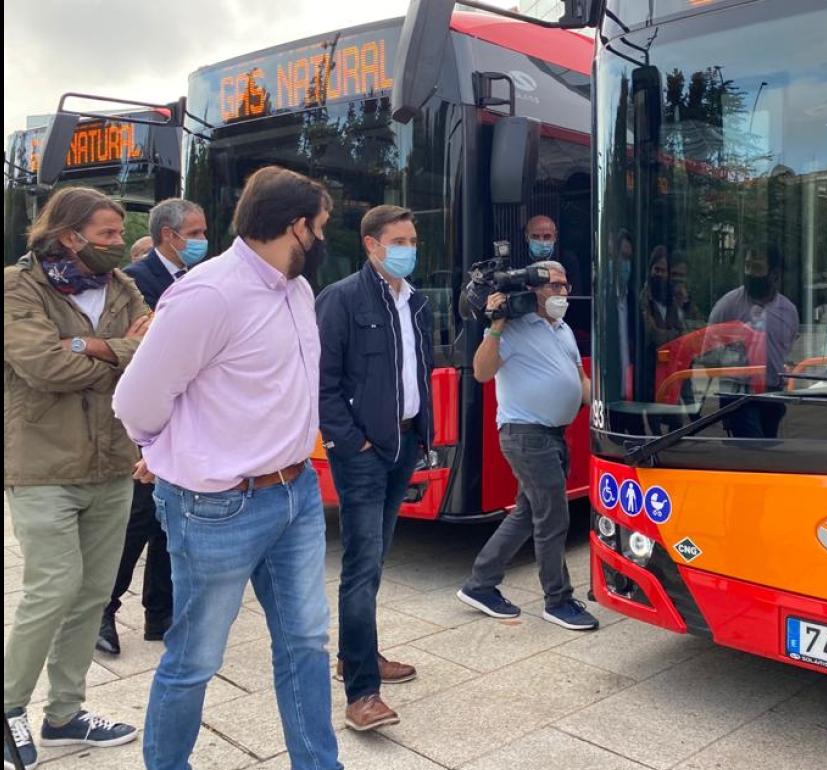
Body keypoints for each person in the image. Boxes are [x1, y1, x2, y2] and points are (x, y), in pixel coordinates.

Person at [112, 166, 341, 770]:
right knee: (196, 657)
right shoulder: (207, 293)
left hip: (297, 494)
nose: (323, 239)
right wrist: (166, 452)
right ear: (296, 227)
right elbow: (136, 401)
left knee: (306, 644)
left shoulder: (296, 289)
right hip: (217, 507)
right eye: (319, 227)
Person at [4, 187, 151, 769]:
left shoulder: (121, 287)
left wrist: (90, 347)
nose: (119, 244)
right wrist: (120, 350)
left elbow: (156, 342)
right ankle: (9, 705)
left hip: (111, 462)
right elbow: (44, 366)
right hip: (43, 464)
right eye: (108, 234)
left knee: (93, 592)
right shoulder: (18, 287)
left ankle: (65, 713)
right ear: (70, 236)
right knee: (53, 587)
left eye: (120, 234)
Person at [315, 205, 433, 731]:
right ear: (371, 244)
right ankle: (362, 692)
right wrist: (352, 442)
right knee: (361, 568)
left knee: (377, 558)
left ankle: (356, 654)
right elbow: (323, 384)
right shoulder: (341, 299)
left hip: (403, 444)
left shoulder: (415, 302)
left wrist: (421, 434)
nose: (409, 247)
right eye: (399, 240)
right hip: (363, 453)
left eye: (413, 239)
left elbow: (416, 372)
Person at [456, 261, 597, 631]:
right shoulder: (515, 327)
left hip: (552, 434)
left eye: (565, 285)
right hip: (525, 434)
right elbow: (483, 372)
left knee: (526, 513)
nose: (561, 293)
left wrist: (602, 407)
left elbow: (579, 377)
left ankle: (480, 584)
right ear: (532, 289)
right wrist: (496, 325)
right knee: (553, 517)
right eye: (552, 286)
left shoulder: (563, 328)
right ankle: (558, 600)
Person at [97, 199, 210, 657]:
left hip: (184, 416)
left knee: (170, 521)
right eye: (196, 232)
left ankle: (159, 615)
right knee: (138, 519)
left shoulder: (198, 279)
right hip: (143, 422)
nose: (204, 241)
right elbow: (130, 354)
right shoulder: (134, 282)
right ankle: (103, 608)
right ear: (169, 235)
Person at [706, 245, 799, 438]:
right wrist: (733, 356)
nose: (749, 273)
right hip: (739, 395)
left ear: (774, 274)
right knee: (753, 448)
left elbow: (787, 350)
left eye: (756, 267)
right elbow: (708, 351)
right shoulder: (728, 305)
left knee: (767, 451)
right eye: (747, 266)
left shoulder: (788, 312)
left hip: (773, 394)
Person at [523, 214, 581, 295]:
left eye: (547, 236)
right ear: (526, 237)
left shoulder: (567, 260)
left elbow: (575, 296)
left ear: (555, 237)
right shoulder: (516, 259)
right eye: (535, 236)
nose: (541, 241)